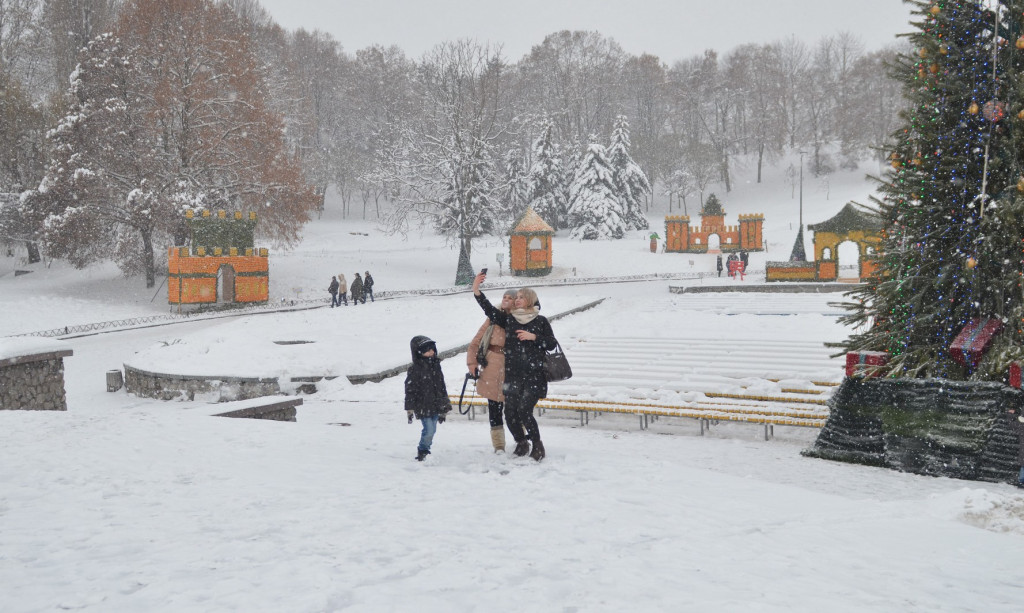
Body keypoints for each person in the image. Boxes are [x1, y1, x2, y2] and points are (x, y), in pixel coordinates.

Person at [472, 272, 557, 461]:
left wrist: (534, 337)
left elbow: (551, 343)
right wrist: (477, 291)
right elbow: (489, 311)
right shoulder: (510, 320)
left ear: (529, 301)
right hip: (513, 376)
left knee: (524, 411)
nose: (517, 300)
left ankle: (537, 444)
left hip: (534, 375)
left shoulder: (540, 320)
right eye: (516, 297)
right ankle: (521, 442)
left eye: (521, 297)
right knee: (509, 413)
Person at [467, 288, 518, 453]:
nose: (506, 299)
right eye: (504, 296)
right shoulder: (492, 318)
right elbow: (475, 342)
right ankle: (499, 446)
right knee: (494, 408)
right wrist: (472, 363)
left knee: (516, 408)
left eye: (510, 298)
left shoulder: (521, 319)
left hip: (513, 367)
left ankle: (521, 440)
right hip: (492, 367)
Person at [405, 335, 452, 461]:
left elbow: (441, 387)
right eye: (427, 350)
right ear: (419, 352)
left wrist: (444, 407)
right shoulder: (415, 370)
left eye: (432, 349)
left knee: (433, 429)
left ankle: (425, 449)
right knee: (429, 429)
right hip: (423, 405)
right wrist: (410, 409)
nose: (431, 352)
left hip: (436, 404)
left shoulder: (436, 366)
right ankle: (423, 450)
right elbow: (410, 390)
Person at [1008, 406, 1024, 487]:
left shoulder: (1020, 425)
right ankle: (1021, 481)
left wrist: (1010, 414)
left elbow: (1011, 424)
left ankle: (1021, 481)